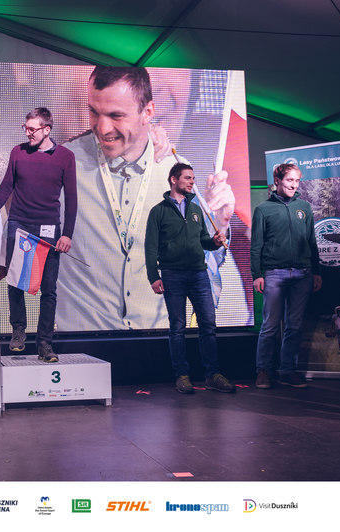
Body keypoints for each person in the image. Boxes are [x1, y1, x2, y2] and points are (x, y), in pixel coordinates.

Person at [58, 66, 243, 332]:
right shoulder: (61, 164)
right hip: (81, 340)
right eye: (94, 112)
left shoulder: (178, 171)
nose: (102, 128)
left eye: (116, 115)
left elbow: (201, 260)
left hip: (158, 340)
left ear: (147, 112)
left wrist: (220, 225)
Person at [0, 107, 77, 362]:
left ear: (46, 130)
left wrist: (67, 234)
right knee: (15, 281)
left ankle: (45, 344)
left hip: (49, 229)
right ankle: (18, 330)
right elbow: (5, 188)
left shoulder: (65, 157)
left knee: (48, 289)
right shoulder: (18, 152)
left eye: (32, 129)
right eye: (25, 128)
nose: (28, 133)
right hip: (19, 224)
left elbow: (72, 198)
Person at [145, 163, 235, 393]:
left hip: (198, 273)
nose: (192, 182)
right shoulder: (158, 211)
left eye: (193, 178)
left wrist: (214, 242)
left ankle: (212, 375)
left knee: (208, 325)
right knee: (177, 327)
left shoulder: (196, 209)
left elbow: (203, 240)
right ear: (173, 180)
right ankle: (182, 375)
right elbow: (150, 247)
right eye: (187, 178)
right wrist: (153, 277)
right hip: (172, 274)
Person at [251, 163, 322, 389]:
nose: (294, 185)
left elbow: (312, 241)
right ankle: (263, 370)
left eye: (297, 181)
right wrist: (257, 274)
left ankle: (287, 371)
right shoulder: (263, 209)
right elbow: (256, 245)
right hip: (274, 273)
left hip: (303, 274)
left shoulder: (304, 207)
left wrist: (316, 271)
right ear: (277, 181)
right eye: (290, 180)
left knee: (294, 326)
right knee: (270, 325)